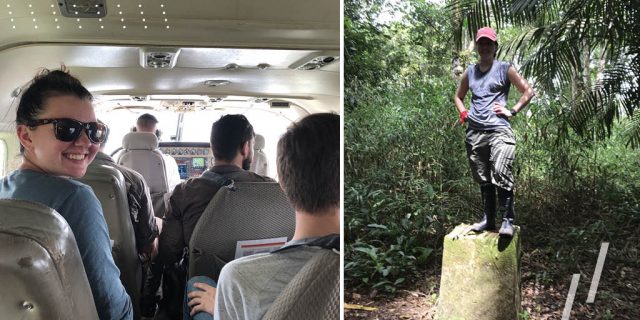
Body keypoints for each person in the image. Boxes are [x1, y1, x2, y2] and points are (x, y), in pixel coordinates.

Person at [0, 68, 133, 319]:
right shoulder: (75, 198)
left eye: (94, 130)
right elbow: (110, 306)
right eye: (67, 128)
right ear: (25, 135)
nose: (86, 142)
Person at [183, 113, 340, 320]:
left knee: (197, 282)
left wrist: (223, 303)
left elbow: (169, 250)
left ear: (282, 182)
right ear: (246, 148)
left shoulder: (237, 278)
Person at [157, 114, 273, 319]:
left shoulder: (184, 192)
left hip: (202, 289)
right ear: (246, 148)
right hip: (258, 291)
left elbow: (168, 253)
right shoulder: (274, 191)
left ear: (213, 148)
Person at [453, 27, 535, 236]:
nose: (485, 47)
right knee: (483, 176)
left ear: (495, 47)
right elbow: (458, 96)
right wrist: (464, 113)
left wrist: (512, 110)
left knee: (501, 170)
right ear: (478, 47)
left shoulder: (505, 68)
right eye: (481, 43)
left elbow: (528, 91)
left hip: (499, 129)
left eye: (488, 43)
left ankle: (507, 220)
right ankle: (488, 220)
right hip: (475, 132)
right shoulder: (470, 72)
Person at [94, 120, 163, 317]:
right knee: (160, 231)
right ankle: (149, 299)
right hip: (127, 266)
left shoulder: (62, 177)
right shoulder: (134, 179)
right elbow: (148, 244)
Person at [134, 113, 181, 191]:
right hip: (160, 203)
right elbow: (175, 189)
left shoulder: (118, 157)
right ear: (157, 135)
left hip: (131, 203)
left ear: (133, 132)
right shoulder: (168, 161)